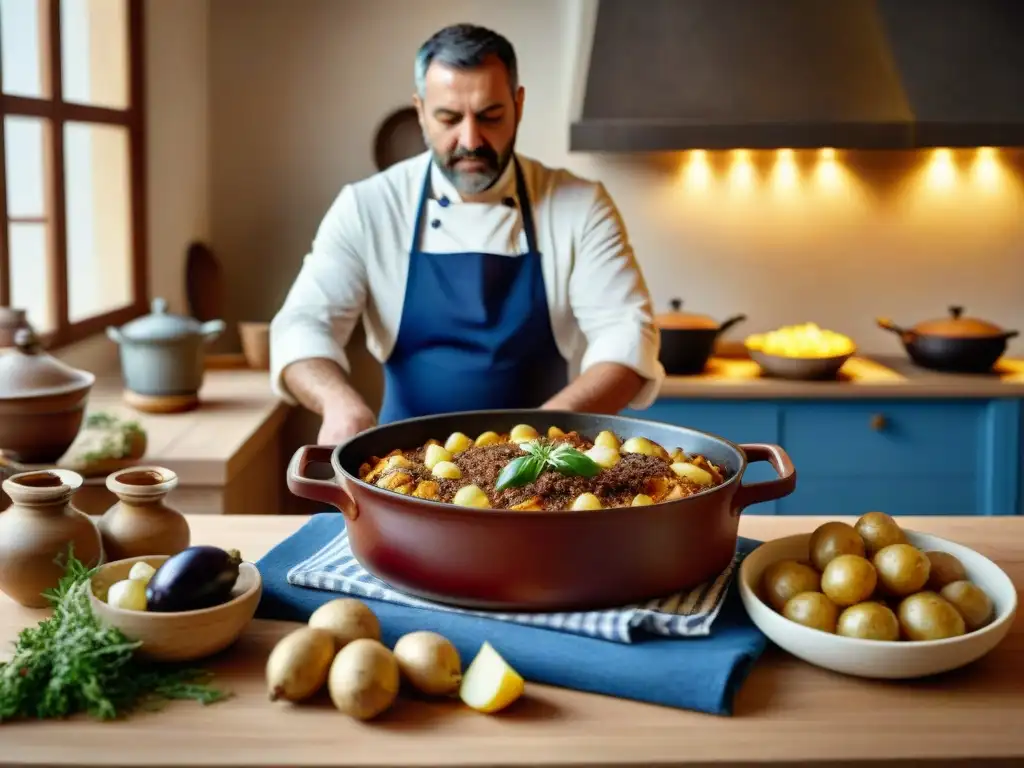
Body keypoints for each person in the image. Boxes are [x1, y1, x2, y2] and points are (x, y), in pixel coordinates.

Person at [269, 23, 664, 446]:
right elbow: (302, 324)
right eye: (449, 118)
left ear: (518, 105)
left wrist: (541, 439)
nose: (470, 139)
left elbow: (626, 334)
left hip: (540, 464)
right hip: (401, 467)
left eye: (490, 116)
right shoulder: (369, 207)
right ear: (420, 111)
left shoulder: (579, 205)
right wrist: (338, 402)